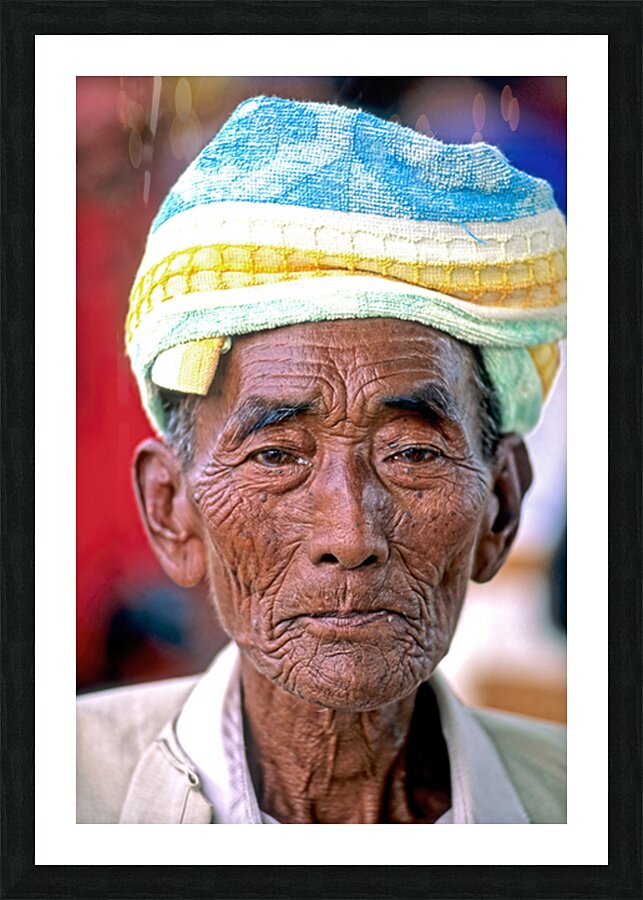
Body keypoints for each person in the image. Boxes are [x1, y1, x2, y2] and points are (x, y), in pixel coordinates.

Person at [77, 95, 567, 824]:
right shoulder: (55, 792)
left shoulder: (587, 803)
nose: (349, 536)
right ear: (171, 510)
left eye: (409, 453)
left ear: (499, 506)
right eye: (277, 455)